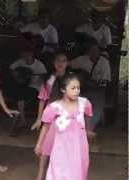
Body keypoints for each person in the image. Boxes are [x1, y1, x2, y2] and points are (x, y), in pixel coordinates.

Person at [35, 73, 96, 180]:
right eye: (73, 88)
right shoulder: (54, 107)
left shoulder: (85, 104)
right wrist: (39, 145)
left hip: (79, 147)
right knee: (58, 171)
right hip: (60, 149)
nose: (76, 91)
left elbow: (88, 116)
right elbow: (45, 127)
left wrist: (88, 130)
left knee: (78, 171)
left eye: (78, 88)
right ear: (63, 90)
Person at [31, 51, 69, 180]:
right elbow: (42, 98)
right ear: (54, 63)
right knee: (45, 144)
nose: (60, 63)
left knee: (63, 145)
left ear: (67, 63)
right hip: (50, 115)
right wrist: (38, 119)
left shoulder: (70, 79)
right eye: (58, 60)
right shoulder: (49, 79)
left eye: (63, 60)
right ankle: (41, 173)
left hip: (65, 115)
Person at [70, 42, 111, 129]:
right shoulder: (82, 59)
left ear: (99, 52)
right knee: (74, 104)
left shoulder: (104, 63)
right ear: (88, 51)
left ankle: (88, 128)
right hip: (82, 90)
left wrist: (92, 84)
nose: (93, 53)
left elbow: (105, 82)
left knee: (96, 109)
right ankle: (74, 125)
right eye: (91, 50)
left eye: (96, 51)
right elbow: (68, 64)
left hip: (98, 91)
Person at [8, 47, 47, 135]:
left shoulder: (39, 65)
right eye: (24, 54)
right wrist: (16, 74)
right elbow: (11, 69)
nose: (26, 56)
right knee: (18, 97)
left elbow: (45, 77)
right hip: (23, 86)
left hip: (35, 88)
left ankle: (21, 120)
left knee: (21, 99)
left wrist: (34, 76)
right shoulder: (20, 61)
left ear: (32, 54)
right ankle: (22, 120)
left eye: (28, 54)